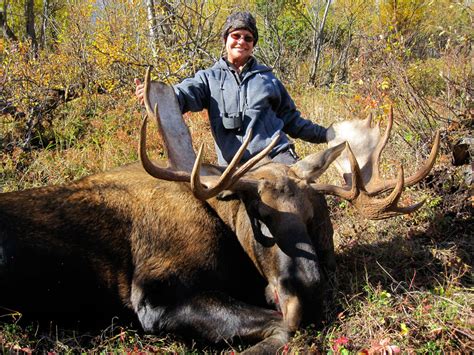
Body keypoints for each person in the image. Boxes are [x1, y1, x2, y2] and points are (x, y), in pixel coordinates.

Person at [135, 11, 327, 166]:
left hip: (276, 157)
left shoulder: (268, 79)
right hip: (234, 167)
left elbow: (292, 120)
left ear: (253, 44)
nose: (242, 41)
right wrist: (158, 95)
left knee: (305, 199)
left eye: (248, 38)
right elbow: (184, 94)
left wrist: (326, 134)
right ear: (226, 39)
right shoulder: (208, 78)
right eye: (236, 35)